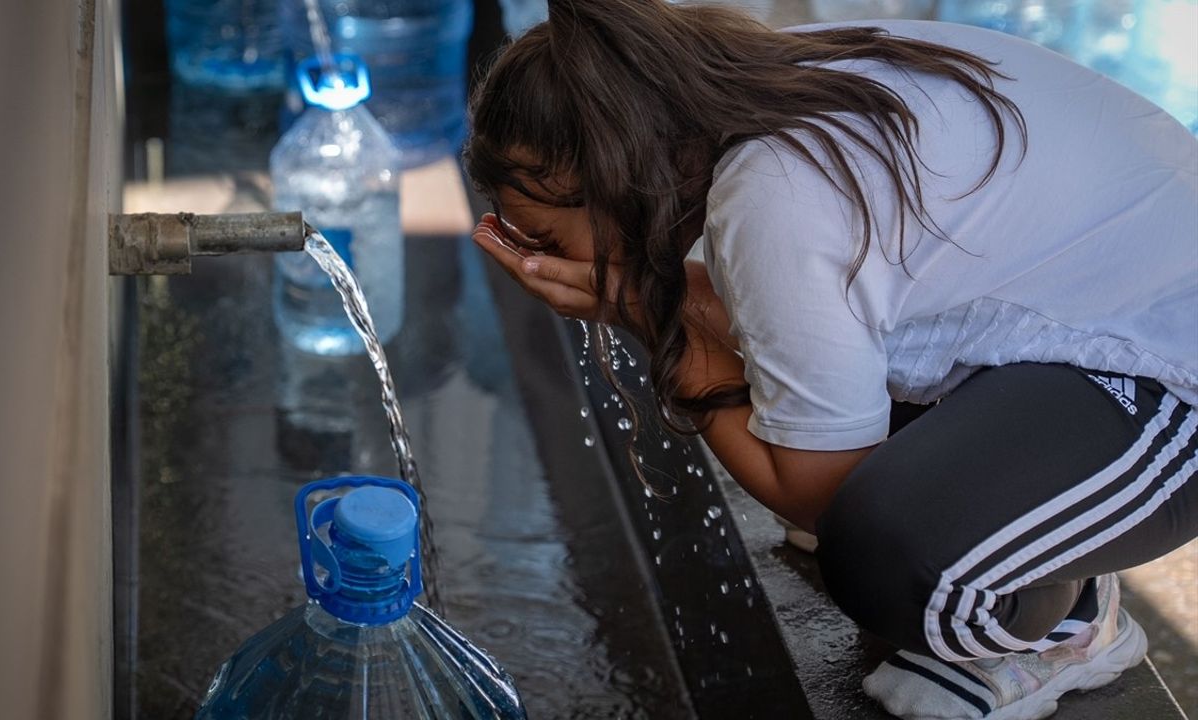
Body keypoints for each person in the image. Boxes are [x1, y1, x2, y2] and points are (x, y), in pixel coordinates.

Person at [463, 1, 1198, 718]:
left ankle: (1061, 623)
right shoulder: (787, 77)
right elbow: (793, 319)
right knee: (812, 399)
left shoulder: (774, 191)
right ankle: (1028, 528)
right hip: (1087, 319)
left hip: (1170, 376)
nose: (546, 262)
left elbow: (818, 495)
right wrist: (662, 295)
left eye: (548, 240)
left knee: (890, 559)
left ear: (613, 175)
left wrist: (650, 316)